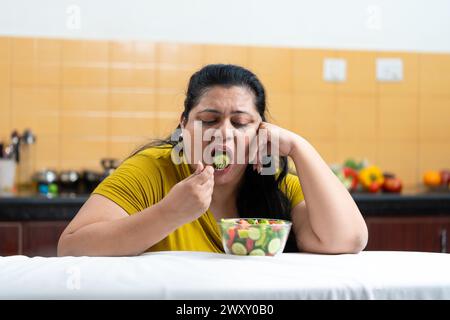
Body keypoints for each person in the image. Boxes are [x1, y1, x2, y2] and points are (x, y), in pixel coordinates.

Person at [57, 64, 368, 257]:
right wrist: (169, 213)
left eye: (241, 122)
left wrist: (301, 148)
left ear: (262, 131)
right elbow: (71, 247)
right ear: (183, 126)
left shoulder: (274, 181)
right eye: (208, 120)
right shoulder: (152, 168)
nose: (224, 135)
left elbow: (347, 240)